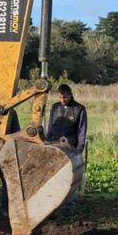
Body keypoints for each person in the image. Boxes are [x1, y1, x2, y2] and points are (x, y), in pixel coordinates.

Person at [44, 84, 88, 215]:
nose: (63, 100)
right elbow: (50, 128)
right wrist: (47, 143)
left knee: (69, 178)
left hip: (71, 148)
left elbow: (82, 131)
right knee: (52, 177)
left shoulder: (79, 109)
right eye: (60, 97)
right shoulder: (55, 107)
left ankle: (69, 207)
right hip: (55, 146)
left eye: (65, 97)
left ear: (70, 94)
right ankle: (52, 207)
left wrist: (79, 149)